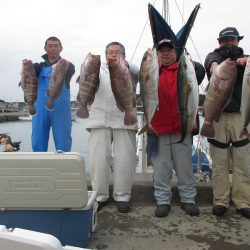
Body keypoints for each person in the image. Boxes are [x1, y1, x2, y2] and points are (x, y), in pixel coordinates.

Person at [148, 39, 205, 218]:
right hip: (158, 129)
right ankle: (163, 200)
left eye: (169, 50)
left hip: (183, 127)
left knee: (185, 167)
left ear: (175, 52)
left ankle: (188, 199)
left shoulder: (186, 70)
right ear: (157, 54)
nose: (165, 53)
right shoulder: (151, 72)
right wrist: (151, 67)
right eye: (161, 51)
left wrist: (191, 62)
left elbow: (202, 71)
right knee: (161, 169)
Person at [86, 41, 139, 213]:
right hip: (98, 119)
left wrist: (122, 62)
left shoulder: (130, 69)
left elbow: (140, 71)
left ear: (125, 54)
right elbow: (86, 80)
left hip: (125, 119)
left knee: (124, 160)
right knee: (98, 160)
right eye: (110, 52)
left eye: (118, 52)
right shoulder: (97, 69)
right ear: (105, 54)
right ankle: (99, 196)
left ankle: (123, 196)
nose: (114, 54)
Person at [204, 27, 250, 219]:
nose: (228, 44)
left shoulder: (246, 59)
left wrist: (245, 61)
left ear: (238, 42)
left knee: (243, 162)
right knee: (220, 162)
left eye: (232, 40)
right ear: (219, 42)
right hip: (218, 116)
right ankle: (220, 200)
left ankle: (243, 201)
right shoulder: (213, 57)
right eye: (225, 41)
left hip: (241, 116)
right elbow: (210, 62)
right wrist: (215, 66)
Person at [32, 37, 75, 152]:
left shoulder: (67, 66)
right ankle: (39, 168)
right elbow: (28, 78)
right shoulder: (37, 67)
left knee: (63, 144)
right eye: (50, 46)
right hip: (40, 110)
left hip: (61, 111)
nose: (53, 48)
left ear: (61, 48)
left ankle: (63, 168)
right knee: (37, 142)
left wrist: (61, 65)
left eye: (56, 46)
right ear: (45, 48)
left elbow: (71, 70)